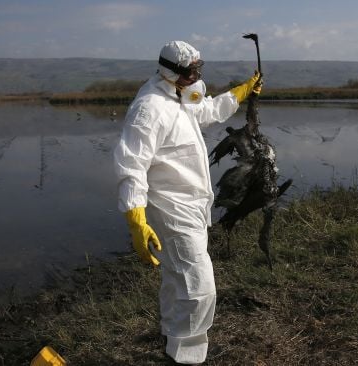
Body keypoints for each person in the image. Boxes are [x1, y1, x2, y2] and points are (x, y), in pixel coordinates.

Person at [113, 40, 261, 365]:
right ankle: (186, 357)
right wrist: (136, 220)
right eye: (192, 71)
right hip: (171, 210)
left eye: (198, 68)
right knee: (199, 288)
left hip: (193, 206)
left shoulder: (179, 95)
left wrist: (242, 91)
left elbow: (206, 110)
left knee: (175, 276)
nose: (197, 75)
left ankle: (169, 335)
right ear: (173, 71)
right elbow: (131, 165)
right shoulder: (149, 108)